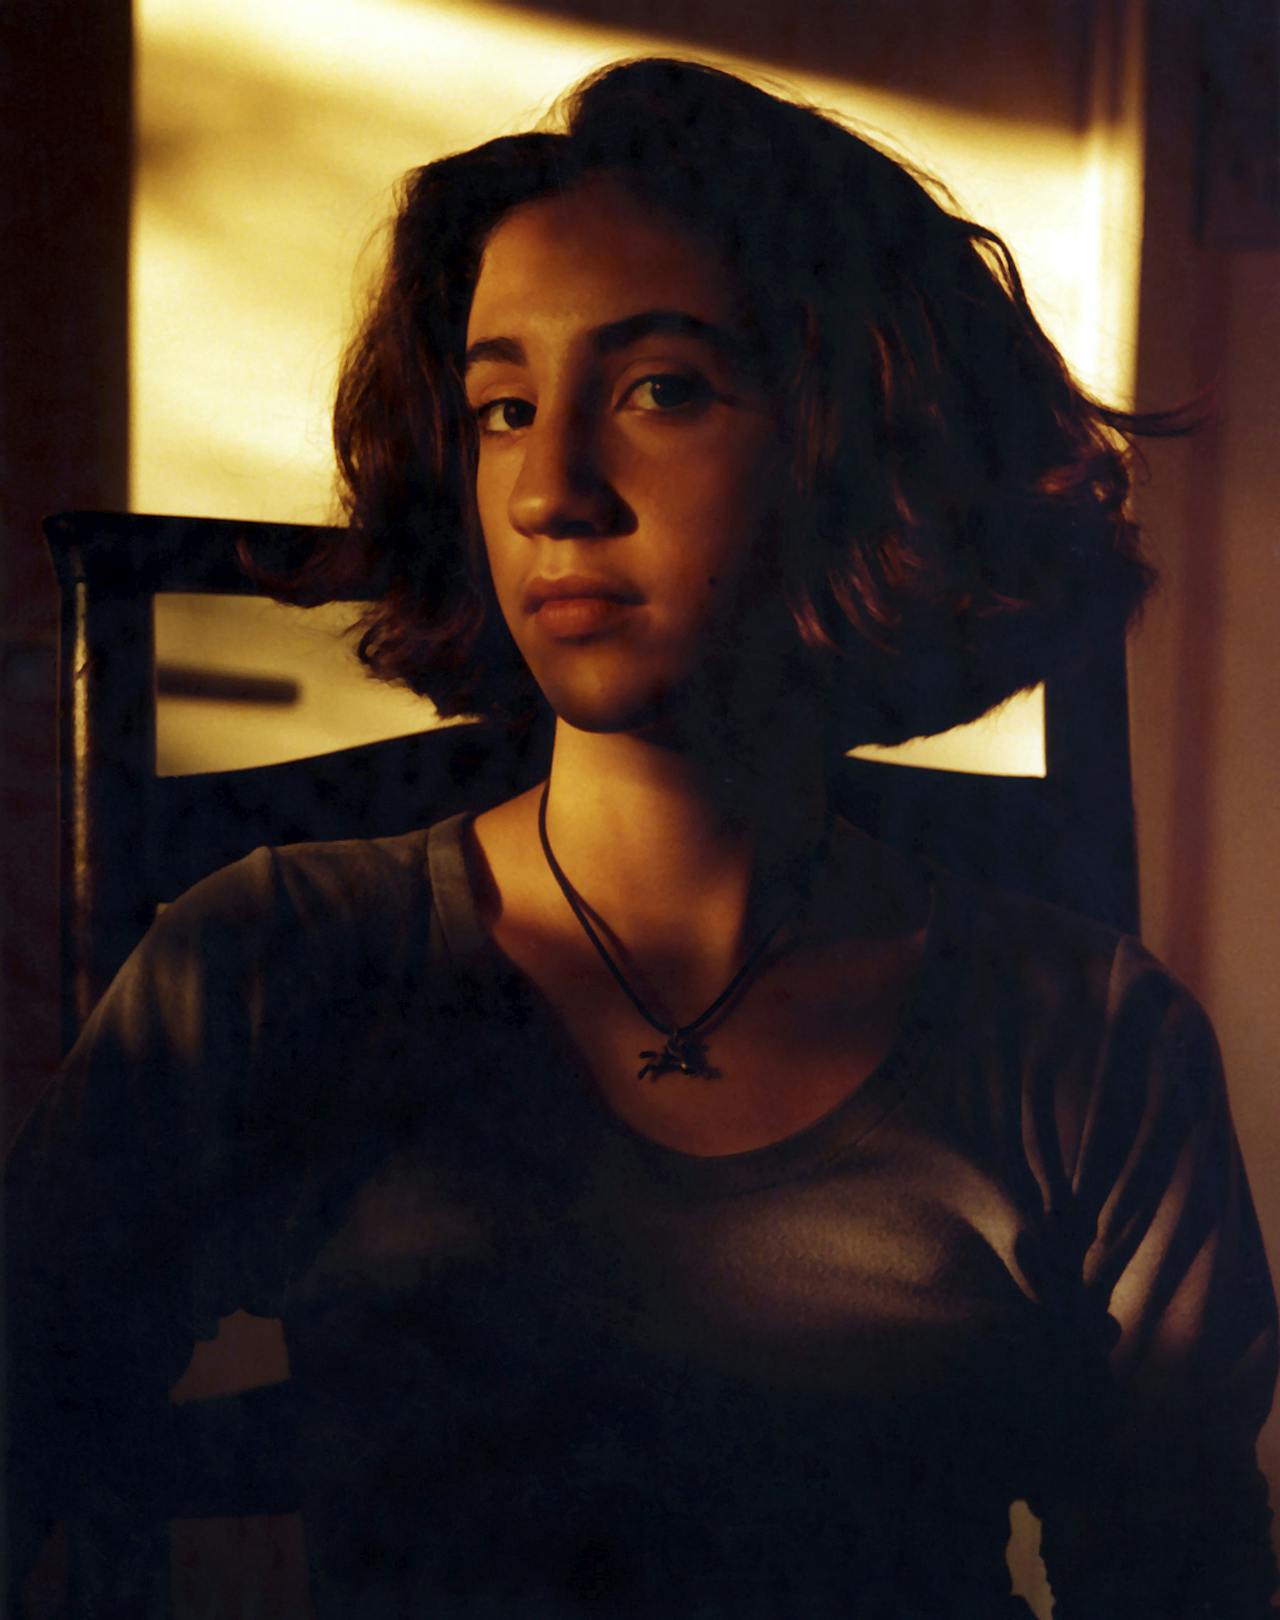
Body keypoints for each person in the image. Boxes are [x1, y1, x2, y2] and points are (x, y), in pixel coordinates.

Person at [7, 56, 1278, 1620]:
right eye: (503, 409)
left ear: (857, 442)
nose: (549, 491)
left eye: (661, 389)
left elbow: (1179, 1576)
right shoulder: (276, 966)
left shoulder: (1090, 1043)